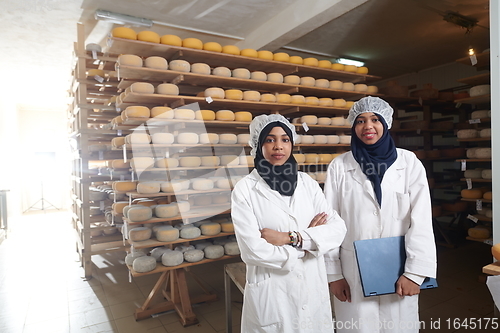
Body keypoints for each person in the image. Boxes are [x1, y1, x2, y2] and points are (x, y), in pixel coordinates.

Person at [324, 96, 437, 332]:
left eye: (375, 119)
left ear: (386, 123)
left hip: (399, 270)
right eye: (360, 121)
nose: (368, 126)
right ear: (353, 127)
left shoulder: (409, 163)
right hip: (352, 272)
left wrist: (415, 272)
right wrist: (333, 274)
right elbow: (330, 224)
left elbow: (422, 219)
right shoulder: (339, 166)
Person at [231, 114, 347, 332]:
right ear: (258, 144)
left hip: (311, 288)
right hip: (273, 293)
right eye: (270, 139)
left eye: (285, 139)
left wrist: (291, 238)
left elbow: (338, 229)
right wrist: (308, 246)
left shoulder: (307, 184)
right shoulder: (245, 190)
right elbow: (253, 251)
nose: (278, 146)